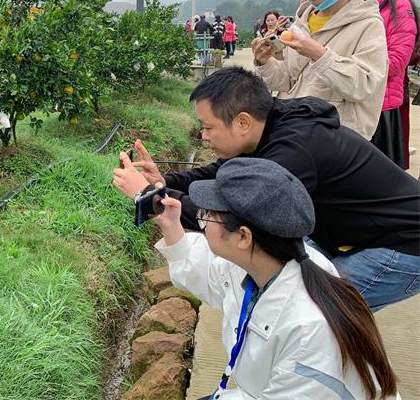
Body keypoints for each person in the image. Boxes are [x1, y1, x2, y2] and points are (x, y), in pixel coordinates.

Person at [113, 67, 420, 312]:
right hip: (352, 233)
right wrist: (166, 183)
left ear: (242, 121)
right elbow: (223, 175)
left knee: (319, 313)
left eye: (208, 127)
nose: (204, 136)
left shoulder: (293, 152)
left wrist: (152, 197)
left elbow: (231, 215)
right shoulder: (270, 126)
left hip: (402, 243)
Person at [149, 158, 400, 400]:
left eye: (207, 215)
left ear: (244, 237)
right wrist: (171, 226)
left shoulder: (309, 334)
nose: (202, 222)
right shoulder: (274, 262)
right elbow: (209, 275)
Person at [253, 0, 388, 139]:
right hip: (294, 132)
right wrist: (265, 62)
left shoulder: (367, 24)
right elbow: (289, 81)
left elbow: (365, 86)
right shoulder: (303, 21)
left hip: (337, 141)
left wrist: (318, 54)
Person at [365, 0, 420, 168]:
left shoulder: (398, 7)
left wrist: (351, 64)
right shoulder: (353, 4)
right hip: (353, 102)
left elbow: (397, 62)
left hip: (381, 107)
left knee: (377, 180)